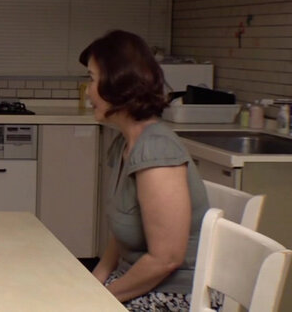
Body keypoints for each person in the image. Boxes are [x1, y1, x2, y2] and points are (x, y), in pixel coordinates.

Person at [81, 30, 214, 311]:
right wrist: (94, 282)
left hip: (175, 296)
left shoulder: (156, 152)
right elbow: (124, 230)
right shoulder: (124, 144)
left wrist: (99, 300)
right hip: (138, 282)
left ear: (118, 83)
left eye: (91, 79)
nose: (87, 91)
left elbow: (166, 259)